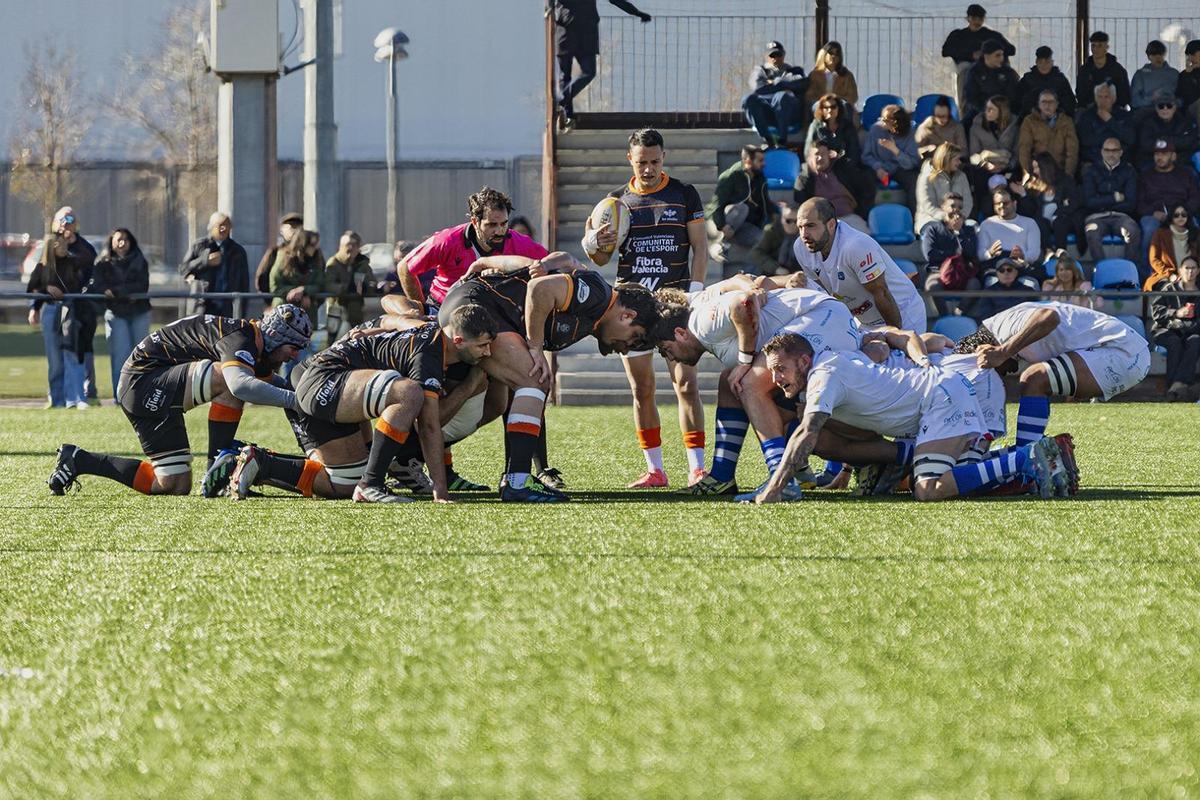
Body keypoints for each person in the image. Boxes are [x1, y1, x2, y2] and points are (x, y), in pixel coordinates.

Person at [654, 283, 922, 500]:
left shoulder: (701, 322)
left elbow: (743, 300)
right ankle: (903, 454)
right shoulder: (702, 318)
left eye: (668, 351)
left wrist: (746, 360)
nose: (673, 359)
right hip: (829, 324)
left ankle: (782, 478)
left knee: (751, 385)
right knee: (742, 390)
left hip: (825, 318)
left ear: (679, 334)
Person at [751, 332, 1065, 504]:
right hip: (941, 397)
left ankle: (1024, 458)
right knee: (963, 476)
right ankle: (1031, 456)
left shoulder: (823, 376)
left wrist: (773, 488)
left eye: (781, 368)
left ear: (804, 361)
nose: (776, 377)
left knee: (928, 489)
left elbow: (808, 431)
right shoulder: (834, 360)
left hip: (940, 400)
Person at [438, 259, 659, 501]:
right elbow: (539, 289)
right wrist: (535, 347)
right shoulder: (599, 297)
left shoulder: (597, 308)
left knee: (496, 405)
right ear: (627, 315)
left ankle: (407, 454)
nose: (626, 349)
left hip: (478, 308)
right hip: (475, 309)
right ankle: (518, 482)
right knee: (534, 380)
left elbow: (556, 261)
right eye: (634, 337)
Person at [230, 308, 496, 503]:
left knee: (344, 482)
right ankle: (372, 484)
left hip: (326, 378)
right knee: (409, 393)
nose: (488, 353)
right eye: (483, 346)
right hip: (321, 378)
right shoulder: (429, 352)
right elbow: (428, 425)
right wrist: (441, 493)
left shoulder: (427, 331)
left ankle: (260, 463)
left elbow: (393, 319)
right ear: (459, 340)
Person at [46, 305, 312, 497]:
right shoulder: (240, 336)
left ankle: (79, 460)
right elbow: (241, 385)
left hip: (147, 388)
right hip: (143, 382)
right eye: (294, 347)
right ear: (277, 336)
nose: (296, 355)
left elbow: (271, 383)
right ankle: (216, 469)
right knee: (230, 380)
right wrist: (295, 400)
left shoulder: (253, 345)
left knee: (172, 485)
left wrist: (304, 395)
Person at [582, 128, 708, 488]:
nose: (648, 169)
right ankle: (655, 469)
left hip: (673, 305)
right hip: (630, 309)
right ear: (630, 160)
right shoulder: (615, 202)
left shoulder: (684, 194)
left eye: (654, 161)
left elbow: (699, 247)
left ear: (663, 158)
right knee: (642, 389)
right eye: (642, 162)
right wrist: (594, 240)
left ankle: (696, 467)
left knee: (686, 385)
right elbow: (600, 256)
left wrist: (695, 292)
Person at [957, 300, 1150, 447]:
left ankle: (1026, 458)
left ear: (986, 348)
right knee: (1036, 379)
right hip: (1123, 352)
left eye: (987, 366)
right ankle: (1028, 452)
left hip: (1124, 352)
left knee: (1034, 379)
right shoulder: (1002, 326)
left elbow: (1049, 317)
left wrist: (1002, 352)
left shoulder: (1005, 327)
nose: (1002, 374)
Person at [397, 187, 547, 311]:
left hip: (491, 314)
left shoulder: (518, 242)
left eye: (504, 224)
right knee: (391, 302)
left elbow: (549, 261)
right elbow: (405, 268)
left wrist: (546, 267)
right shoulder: (447, 240)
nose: (500, 231)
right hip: (442, 309)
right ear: (475, 222)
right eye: (492, 225)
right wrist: (421, 310)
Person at [792, 197, 927, 332]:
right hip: (864, 321)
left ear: (831, 225)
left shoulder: (856, 246)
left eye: (810, 226)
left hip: (903, 313)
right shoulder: (801, 247)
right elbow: (826, 294)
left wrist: (896, 336)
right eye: (800, 227)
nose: (804, 234)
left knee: (900, 352)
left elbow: (882, 294)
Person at [25, 207, 97, 409]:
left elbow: (89, 277)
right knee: (55, 359)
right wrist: (36, 304)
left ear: (76, 223)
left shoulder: (83, 250)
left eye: (70, 218)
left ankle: (78, 397)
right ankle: (56, 399)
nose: (65, 223)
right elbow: (34, 284)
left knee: (74, 355)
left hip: (75, 310)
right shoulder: (46, 252)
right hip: (51, 309)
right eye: (61, 219)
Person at [552, 0, 651, 129]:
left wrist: (637, 13)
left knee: (588, 73)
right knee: (565, 77)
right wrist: (552, 14)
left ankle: (562, 101)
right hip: (567, 31)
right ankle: (568, 114)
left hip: (585, 34)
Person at [91, 228, 151, 396]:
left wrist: (117, 291)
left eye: (126, 239)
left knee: (142, 355)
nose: (122, 242)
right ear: (111, 242)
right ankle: (121, 395)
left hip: (139, 312)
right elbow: (98, 285)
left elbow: (142, 286)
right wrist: (120, 293)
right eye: (118, 239)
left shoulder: (140, 260)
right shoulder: (102, 262)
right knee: (120, 356)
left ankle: (141, 394)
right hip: (116, 313)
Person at [706, 144, 777, 271]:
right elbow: (717, 204)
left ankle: (749, 275)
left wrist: (777, 215)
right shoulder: (730, 176)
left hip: (742, 226)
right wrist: (722, 225)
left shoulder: (760, 179)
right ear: (748, 161)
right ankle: (720, 244)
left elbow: (765, 203)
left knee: (761, 239)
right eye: (760, 160)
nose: (764, 164)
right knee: (742, 208)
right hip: (720, 221)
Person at [1136, 140, 1200, 269]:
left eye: (1164, 154)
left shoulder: (1186, 174)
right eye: (1157, 154)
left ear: (1173, 156)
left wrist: (1182, 212)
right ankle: (1147, 274)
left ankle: (1193, 272)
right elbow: (1139, 203)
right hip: (1155, 215)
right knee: (1149, 230)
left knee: (1194, 229)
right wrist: (1152, 212)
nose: (1160, 157)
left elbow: (1195, 199)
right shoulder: (1146, 175)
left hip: (1180, 213)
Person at [942, 4, 1015, 111]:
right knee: (965, 71)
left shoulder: (991, 35)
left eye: (980, 19)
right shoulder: (958, 35)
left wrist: (993, 54)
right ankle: (965, 111)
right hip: (968, 67)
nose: (976, 22)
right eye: (974, 18)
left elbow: (1011, 49)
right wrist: (970, 55)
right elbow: (946, 51)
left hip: (991, 67)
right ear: (968, 19)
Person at [1010, 151, 1084, 255]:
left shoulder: (1065, 180)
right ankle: (1048, 251)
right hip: (1043, 222)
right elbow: (1030, 211)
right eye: (1034, 168)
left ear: (1046, 168)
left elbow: (1075, 202)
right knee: (1039, 222)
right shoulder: (1032, 185)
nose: (1035, 171)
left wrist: (1058, 213)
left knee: (1059, 222)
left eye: (1037, 167)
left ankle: (1061, 253)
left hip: (1062, 220)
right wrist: (1023, 195)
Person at [793, 140, 874, 233]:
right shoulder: (804, 179)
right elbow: (800, 202)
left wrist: (862, 212)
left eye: (823, 154)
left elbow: (865, 190)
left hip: (849, 218)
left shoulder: (843, 171)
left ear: (829, 155)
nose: (819, 158)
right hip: (822, 223)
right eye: (816, 154)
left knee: (863, 239)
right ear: (810, 158)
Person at [180, 212, 249, 319]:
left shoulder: (237, 251)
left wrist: (241, 311)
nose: (224, 229)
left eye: (227, 225)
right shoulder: (200, 245)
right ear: (211, 227)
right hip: (202, 303)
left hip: (226, 306)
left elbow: (244, 283)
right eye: (220, 225)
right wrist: (205, 261)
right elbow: (184, 268)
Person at [1081, 137, 1140, 262]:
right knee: (1092, 232)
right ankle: (1102, 269)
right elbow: (1089, 202)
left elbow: (1130, 204)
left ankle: (1129, 270)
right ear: (1102, 152)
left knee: (1133, 230)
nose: (1111, 154)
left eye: (1114, 150)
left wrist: (1102, 202)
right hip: (1096, 217)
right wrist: (1115, 198)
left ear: (1121, 152)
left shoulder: (1129, 171)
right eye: (1107, 150)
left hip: (1122, 217)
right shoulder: (1091, 171)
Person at [1150, 255, 1200, 400]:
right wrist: (1176, 313)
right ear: (1180, 270)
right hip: (1167, 330)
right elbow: (1156, 311)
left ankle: (1175, 387)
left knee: (1196, 341)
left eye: (1193, 268)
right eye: (1187, 268)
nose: (1190, 272)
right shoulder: (1169, 289)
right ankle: (1175, 388)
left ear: (1198, 271)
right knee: (1175, 343)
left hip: (1192, 330)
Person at [922, 193, 980, 315]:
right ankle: (944, 316)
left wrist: (960, 233)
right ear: (943, 206)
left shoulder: (968, 230)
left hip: (963, 273)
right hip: (938, 272)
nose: (956, 210)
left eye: (959, 207)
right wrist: (953, 253)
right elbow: (930, 254)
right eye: (952, 206)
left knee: (975, 284)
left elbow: (972, 253)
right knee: (932, 285)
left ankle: (960, 313)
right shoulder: (933, 229)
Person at [743, 41, 809, 147]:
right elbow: (758, 88)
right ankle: (767, 139)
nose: (775, 58)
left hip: (789, 115)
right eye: (772, 55)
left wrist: (774, 83)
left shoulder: (795, 71)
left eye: (778, 55)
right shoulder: (759, 71)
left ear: (783, 55)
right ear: (766, 56)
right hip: (767, 113)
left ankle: (782, 141)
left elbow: (802, 84)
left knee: (782, 96)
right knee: (748, 98)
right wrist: (785, 83)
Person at [861, 104, 920, 209]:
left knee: (914, 182)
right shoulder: (876, 129)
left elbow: (912, 163)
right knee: (865, 179)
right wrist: (877, 168)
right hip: (879, 167)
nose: (882, 122)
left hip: (900, 168)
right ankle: (866, 215)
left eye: (886, 120)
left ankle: (912, 214)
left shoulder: (911, 133)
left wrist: (895, 150)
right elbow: (866, 156)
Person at [977, 188, 1041, 276]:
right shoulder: (986, 224)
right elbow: (980, 254)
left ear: (1014, 203)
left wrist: (1023, 256)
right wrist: (990, 253)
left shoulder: (1030, 223)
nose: (1001, 206)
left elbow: (1034, 252)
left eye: (1005, 203)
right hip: (995, 269)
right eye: (997, 203)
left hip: (1020, 268)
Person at [1017, 90, 1079, 176]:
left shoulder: (1066, 121)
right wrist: (1027, 173)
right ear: (1038, 104)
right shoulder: (1029, 121)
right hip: (1038, 171)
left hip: (1060, 170)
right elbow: (1024, 149)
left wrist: (1068, 175)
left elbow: (1072, 150)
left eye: (1051, 102)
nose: (1047, 105)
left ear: (1057, 104)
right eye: (1044, 102)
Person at [915, 142, 972, 234]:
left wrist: (960, 217)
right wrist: (946, 217)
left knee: (973, 228)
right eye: (956, 159)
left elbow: (968, 202)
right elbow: (927, 205)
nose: (959, 162)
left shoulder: (962, 176)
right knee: (939, 230)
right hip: (930, 219)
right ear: (946, 159)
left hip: (958, 219)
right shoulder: (926, 177)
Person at [962, 39, 1021, 129]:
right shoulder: (975, 72)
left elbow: (1014, 95)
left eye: (1002, 55)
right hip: (982, 108)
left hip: (1005, 108)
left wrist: (1002, 109)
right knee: (964, 125)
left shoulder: (1008, 72)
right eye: (997, 55)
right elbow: (971, 96)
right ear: (987, 56)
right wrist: (986, 110)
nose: (1001, 58)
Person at [1133, 91, 1199, 170]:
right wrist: (1173, 142)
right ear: (1156, 108)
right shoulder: (1147, 123)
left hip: (1179, 160)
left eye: (1169, 105)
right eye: (1161, 106)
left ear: (1175, 107)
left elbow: (1189, 142)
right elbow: (1146, 144)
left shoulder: (1184, 122)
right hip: (1152, 160)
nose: (1165, 109)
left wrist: (1162, 140)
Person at [1076, 81, 1132, 167]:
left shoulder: (1123, 115)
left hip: (1119, 161)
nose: (1103, 101)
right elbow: (1085, 140)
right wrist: (1111, 137)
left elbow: (1130, 138)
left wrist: (1110, 121)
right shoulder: (1087, 116)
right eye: (1099, 97)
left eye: (1106, 97)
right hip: (1093, 161)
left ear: (1113, 98)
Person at [1146, 204, 1200, 290]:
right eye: (1176, 215)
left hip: (1193, 275)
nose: (1180, 217)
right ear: (1171, 216)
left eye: (1183, 215)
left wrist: (1192, 274)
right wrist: (1170, 275)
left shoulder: (1196, 234)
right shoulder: (1160, 234)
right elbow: (1154, 259)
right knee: (1169, 289)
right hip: (1167, 276)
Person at [254, 211, 304, 302]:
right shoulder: (275, 252)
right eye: (291, 227)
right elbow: (262, 279)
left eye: (297, 227)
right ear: (281, 230)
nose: (294, 231)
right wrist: (269, 303)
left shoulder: (309, 253)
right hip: (280, 303)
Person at [1076, 31, 1131, 110]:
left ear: (1106, 47)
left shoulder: (1117, 70)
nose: (1096, 49)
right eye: (1093, 45)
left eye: (1100, 45)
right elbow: (1080, 93)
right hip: (1089, 110)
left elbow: (1125, 94)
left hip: (1114, 110)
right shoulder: (1084, 70)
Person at [1018, 46, 1077, 118]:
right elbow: (1018, 102)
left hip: (1057, 119)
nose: (1044, 65)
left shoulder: (1060, 80)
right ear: (1036, 62)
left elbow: (1070, 102)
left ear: (1052, 62)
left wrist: (1057, 112)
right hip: (1031, 119)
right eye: (1040, 62)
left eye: (1047, 62)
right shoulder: (1027, 79)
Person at [805, 94, 860, 163]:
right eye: (826, 107)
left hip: (844, 166)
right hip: (821, 166)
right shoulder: (815, 126)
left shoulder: (848, 127)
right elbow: (808, 151)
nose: (829, 110)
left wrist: (839, 157)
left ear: (839, 109)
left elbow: (854, 153)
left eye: (833, 107)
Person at [749, 203, 801, 275]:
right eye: (788, 221)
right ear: (782, 219)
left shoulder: (806, 234)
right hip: (774, 273)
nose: (792, 225)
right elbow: (756, 253)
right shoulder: (772, 231)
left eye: (796, 221)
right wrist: (775, 268)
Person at [805, 41, 858, 109]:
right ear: (824, 54)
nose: (833, 56)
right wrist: (824, 102)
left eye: (837, 54)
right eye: (831, 53)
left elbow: (853, 97)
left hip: (840, 106)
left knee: (846, 107)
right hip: (820, 106)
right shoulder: (815, 75)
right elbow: (809, 95)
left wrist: (836, 100)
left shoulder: (847, 75)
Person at [1130, 40, 1180, 111]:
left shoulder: (1174, 74)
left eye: (1160, 54)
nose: (1157, 58)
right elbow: (1134, 101)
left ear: (1164, 55)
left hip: (1170, 111)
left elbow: (1182, 98)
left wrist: (1172, 102)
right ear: (1149, 57)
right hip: (1147, 111)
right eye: (1153, 55)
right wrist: (1151, 98)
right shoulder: (1140, 75)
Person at [915, 95, 967, 160]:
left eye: (944, 116)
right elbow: (915, 152)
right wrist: (927, 148)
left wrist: (949, 151)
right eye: (938, 116)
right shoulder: (925, 127)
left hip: (951, 162)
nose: (941, 120)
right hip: (931, 162)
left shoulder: (957, 127)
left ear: (949, 114)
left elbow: (964, 152)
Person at [1179, 40, 1200, 123]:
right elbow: (1185, 97)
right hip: (1192, 109)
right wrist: (1188, 74)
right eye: (1190, 56)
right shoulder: (1185, 75)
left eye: (1194, 55)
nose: (1192, 58)